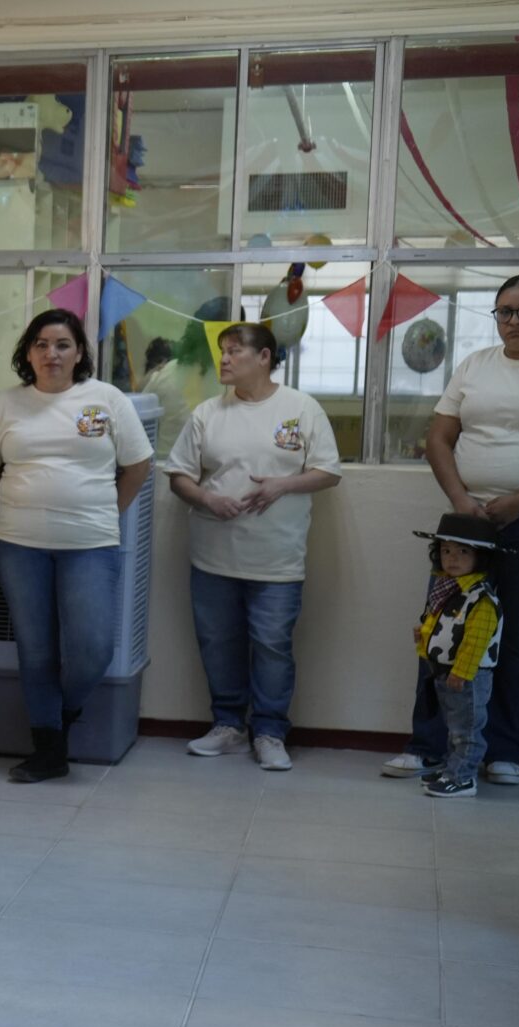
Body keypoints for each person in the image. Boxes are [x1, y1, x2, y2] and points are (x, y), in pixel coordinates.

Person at [0, 308, 153, 783]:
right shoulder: (7, 404)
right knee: (36, 650)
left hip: (91, 543)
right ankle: (48, 750)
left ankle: (64, 711)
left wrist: (108, 509)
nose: (51, 353)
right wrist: (22, 497)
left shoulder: (106, 399)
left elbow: (138, 465)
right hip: (18, 544)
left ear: (78, 354)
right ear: (28, 353)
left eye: (62, 345)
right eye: (42, 344)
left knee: (92, 649)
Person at [165, 322, 341, 771]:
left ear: (264, 357)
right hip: (213, 556)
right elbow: (179, 475)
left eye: (234, 351)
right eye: (222, 351)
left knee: (272, 645)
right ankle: (228, 727)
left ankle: (269, 733)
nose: (223, 359)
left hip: (278, 558)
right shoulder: (208, 413)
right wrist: (207, 499)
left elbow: (328, 471)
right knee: (217, 643)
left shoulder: (301, 408)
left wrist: (282, 485)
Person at [384, 274, 519, 785]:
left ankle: (504, 752)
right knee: (440, 633)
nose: (514, 321)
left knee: (513, 640)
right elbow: (439, 439)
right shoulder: (474, 366)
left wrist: (516, 503)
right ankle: (428, 746)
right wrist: (463, 501)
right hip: (466, 523)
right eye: (505, 312)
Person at [410, 515, 505, 798]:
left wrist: (462, 672)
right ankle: (452, 768)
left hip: (466, 678)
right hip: (445, 673)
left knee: (467, 729)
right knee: (454, 727)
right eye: (446, 550)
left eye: (463, 551)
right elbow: (442, 625)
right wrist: (424, 638)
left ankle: (463, 778)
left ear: (481, 558)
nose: (452, 558)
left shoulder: (481, 599)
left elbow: (475, 642)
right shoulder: (449, 590)